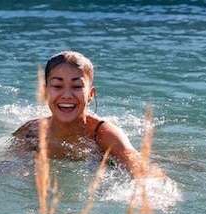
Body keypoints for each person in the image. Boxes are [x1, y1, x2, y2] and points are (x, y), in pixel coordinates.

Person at [11, 51, 165, 179]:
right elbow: (6, 160)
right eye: (57, 86)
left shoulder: (104, 135)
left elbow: (142, 169)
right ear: (45, 92)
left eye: (77, 86)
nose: (66, 95)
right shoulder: (31, 131)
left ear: (90, 94)